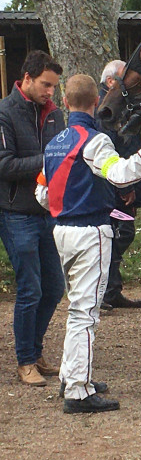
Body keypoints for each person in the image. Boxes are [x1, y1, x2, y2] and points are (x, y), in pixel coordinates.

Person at [35, 74, 141, 413]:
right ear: (96, 103)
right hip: (91, 232)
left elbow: (42, 193)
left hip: (61, 231)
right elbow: (121, 174)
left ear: (66, 103)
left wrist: (66, 203)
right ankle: (79, 390)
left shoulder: (56, 142)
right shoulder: (95, 141)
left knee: (76, 310)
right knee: (85, 312)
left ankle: (73, 377)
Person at [0, 50, 66, 387]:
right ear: (26, 79)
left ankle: (35, 350)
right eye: (45, 85)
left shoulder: (55, 115)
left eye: (54, 87)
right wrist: (49, 160)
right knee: (30, 289)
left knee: (54, 286)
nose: (50, 92)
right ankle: (25, 360)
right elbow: (4, 165)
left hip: (49, 213)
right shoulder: (4, 113)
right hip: (16, 214)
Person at [97, 59, 141, 310]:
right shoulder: (106, 110)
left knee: (123, 231)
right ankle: (106, 288)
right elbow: (112, 152)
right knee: (121, 232)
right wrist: (124, 188)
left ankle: (111, 288)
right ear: (110, 82)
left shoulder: (122, 105)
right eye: (123, 78)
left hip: (125, 187)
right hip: (115, 190)